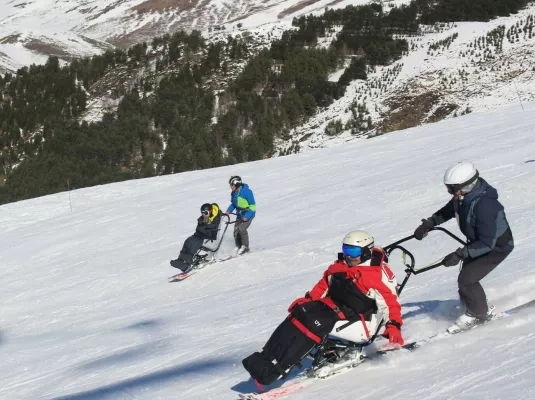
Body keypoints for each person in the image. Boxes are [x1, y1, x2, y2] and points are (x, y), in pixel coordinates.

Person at [242, 230, 404, 386]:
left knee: (312, 322)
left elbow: (391, 301)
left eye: (353, 251)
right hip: (337, 308)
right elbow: (323, 285)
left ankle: (276, 369)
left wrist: (394, 325)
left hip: (362, 322)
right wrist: (307, 300)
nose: (348, 255)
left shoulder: (377, 273)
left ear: (366, 252)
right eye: (345, 249)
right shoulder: (340, 265)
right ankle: (266, 359)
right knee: (300, 312)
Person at [413, 162, 514, 332]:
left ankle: (478, 314)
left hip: (496, 248)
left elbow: (487, 243)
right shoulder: (463, 198)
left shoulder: (485, 206)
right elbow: (448, 211)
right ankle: (471, 306)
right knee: (466, 278)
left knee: (467, 279)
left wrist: (459, 254)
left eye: (451, 189)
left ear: (465, 186)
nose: (450, 193)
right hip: (478, 243)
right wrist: (429, 224)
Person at [170, 203, 222, 272]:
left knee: (194, 243)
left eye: (205, 212)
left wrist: (204, 225)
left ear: (211, 211)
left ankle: (187, 263)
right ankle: (181, 260)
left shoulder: (216, 218)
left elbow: (211, 229)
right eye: (202, 212)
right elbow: (198, 229)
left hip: (210, 239)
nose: (203, 214)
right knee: (188, 241)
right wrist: (203, 224)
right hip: (200, 235)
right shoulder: (204, 218)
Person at [224, 176, 256, 255]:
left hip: (248, 213)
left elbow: (253, 206)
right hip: (240, 214)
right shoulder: (234, 193)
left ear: (237, 184)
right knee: (236, 230)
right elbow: (233, 204)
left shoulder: (247, 192)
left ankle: (245, 247)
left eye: (232, 185)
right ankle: (238, 246)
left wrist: (247, 216)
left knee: (242, 229)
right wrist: (228, 211)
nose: (231, 187)